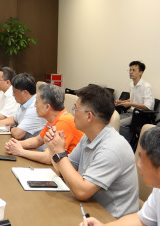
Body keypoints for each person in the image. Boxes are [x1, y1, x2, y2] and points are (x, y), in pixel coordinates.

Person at [44, 84, 138, 218]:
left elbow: (82, 192)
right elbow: (63, 171)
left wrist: (59, 152)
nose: (72, 113)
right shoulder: (88, 137)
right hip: (91, 207)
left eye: (75, 109)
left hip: (111, 220)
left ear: (89, 116)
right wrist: (53, 148)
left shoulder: (111, 148)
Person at [5, 83, 83, 165]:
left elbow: (50, 158)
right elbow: (38, 140)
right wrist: (15, 144)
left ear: (47, 107)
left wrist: (20, 151)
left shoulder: (64, 122)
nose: (35, 105)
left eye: (37, 102)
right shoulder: (53, 119)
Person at [0, 73, 47, 140]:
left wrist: (10, 128)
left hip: (33, 145)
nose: (13, 95)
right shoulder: (25, 102)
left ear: (24, 93)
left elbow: (18, 134)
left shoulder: (34, 107)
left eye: (14, 92)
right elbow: (14, 119)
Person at [115, 61, 154, 142]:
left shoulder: (146, 86)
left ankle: (129, 143)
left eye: (133, 70)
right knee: (113, 120)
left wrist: (129, 104)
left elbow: (147, 106)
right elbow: (133, 98)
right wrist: (122, 102)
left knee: (120, 124)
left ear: (141, 72)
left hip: (141, 115)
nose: (130, 72)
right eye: (130, 70)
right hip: (131, 112)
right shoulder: (131, 85)